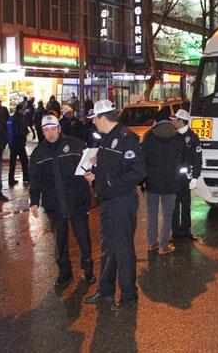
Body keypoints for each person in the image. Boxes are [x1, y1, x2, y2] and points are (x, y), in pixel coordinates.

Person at [83, 100, 146, 310]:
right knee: (107, 247)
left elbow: (138, 171)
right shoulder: (106, 139)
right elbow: (109, 168)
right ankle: (106, 289)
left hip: (122, 201)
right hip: (107, 202)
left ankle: (129, 295)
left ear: (102, 118)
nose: (93, 123)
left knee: (123, 249)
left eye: (94, 120)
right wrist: (96, 176)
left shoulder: (127, 138)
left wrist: (111, 183)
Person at [29, 115, 95, 287]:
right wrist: (34, 201)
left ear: (59, 128)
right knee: (60, 242)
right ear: (42, 132)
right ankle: (65, 273)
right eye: (46, 130)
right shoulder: (38, 153)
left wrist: (91, 174)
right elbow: (34, 179)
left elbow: (90, 163)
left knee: (83, 238)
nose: (50, 133)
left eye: (52, 129)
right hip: (54, 205)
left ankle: (88, 270)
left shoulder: (75, 145)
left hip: (77, 201)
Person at [142, 109, 185, 254]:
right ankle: (163, 245)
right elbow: (182, 159)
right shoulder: (178, 137)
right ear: (169, 120)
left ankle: (151, 242)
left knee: (152, 213)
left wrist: (144, 180)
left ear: (156, 121)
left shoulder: (149, 136)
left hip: (152, 181)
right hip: (171, 181)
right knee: (168, 214)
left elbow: (143, 160)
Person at [170, 109, 202, 240]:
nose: (172, 121)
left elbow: (198, 158)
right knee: (174, 205)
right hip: (173, 177)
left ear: (181, 121)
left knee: (186, 204)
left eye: (175, 119)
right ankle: (175, 231)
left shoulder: (192, 137)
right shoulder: (172, 135)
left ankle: (186, 230)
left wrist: (195, 176)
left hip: (185, 178)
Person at [7, 104, 30, 186]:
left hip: (12, 143)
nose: (24, 111)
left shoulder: (10, 118)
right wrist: (25, 134)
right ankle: (26, 178)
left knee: (12, 162)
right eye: (23, 109)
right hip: (18, 143)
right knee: (24, 161)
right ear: (19, 110)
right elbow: (19, 131)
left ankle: (11, 179)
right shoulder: (19, 119)